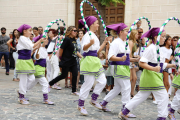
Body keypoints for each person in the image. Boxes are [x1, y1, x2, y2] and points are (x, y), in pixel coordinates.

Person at [120, 27, 176, 120]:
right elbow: (142, 63)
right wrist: (154, 69)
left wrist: (171, 65)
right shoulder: (151, 48)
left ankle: (124, 112)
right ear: (155, 37)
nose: (164, 38)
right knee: (163, 96)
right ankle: (162, 117)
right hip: (151, 76)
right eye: (162, 36)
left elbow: (159, 64)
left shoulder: (157, 48)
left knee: (141, 96)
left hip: (154, 75)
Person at [99, 23, 138, 118]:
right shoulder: (116, 42)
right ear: (120, 32)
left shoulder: (125, 42)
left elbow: (126, 58)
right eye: (126, 31)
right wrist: (121, 59)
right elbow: (110, 57)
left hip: (124, 67)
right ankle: (125, 110)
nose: (128, 32)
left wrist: (135, 59)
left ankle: (103, 103)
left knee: (117, 88)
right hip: (118, 67)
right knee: (126, 87)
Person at [77, 16, 108, 115]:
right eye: (97, 23)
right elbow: (84, 48)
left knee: (103, 81)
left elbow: (97, 50)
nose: (98, 25)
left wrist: (104, 42)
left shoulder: (93, 35)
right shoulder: (87, 35)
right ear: (91, 25)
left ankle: (93, 99)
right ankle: (81, 105)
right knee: (88, 84)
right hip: (89, 61)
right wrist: (90, 44)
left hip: (95, 61)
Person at [49, 26, 82, 95]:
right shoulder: (67, 39)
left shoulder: (74, 40)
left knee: (75, 74)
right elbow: (61, 49)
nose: (76, 32)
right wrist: (61, 58)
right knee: (63, 75)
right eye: (74, 31)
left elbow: (75, 51)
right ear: (70, 32)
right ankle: (50, 83)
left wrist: (82, 57)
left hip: (73, 60)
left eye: (76, 31)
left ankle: (74, 90)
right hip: (66, 60)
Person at [16, 24, 44, 105]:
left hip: (28, 61)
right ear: (24, 31)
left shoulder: (27, 39)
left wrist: (39, 45)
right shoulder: (22, 38)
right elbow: (31, 46)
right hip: (23, 61)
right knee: (23, 80)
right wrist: (39, 41)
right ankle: (21, 97)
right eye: (30, 31)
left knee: (32, 79)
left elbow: (31, 48)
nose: (31, 33)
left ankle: (22, 92)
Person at [28, 36, 54, 105]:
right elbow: (37, 57)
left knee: (32, 84)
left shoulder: (45, 49)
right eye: (45, 39)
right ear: (42, 40)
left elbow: (46, 60)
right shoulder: (39, 48)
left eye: (47, 39)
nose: (47, 40)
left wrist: (51, 55)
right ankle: (45, 99)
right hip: (38, 68)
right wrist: (38, 50)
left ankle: (21, 92)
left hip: (41, 69)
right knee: (45, 83)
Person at [129, 30, 139, 98]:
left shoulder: (135, 42)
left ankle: (132, 92)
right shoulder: (131, 42)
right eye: (136, 34)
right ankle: (128, 92)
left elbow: (133, 53)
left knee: (134, 78)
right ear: (133, 35)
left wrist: (137, 56)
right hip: (130, 61)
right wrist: (132, 61)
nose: (138, 35)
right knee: (130, 78)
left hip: (132, 60)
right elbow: (129, 52)